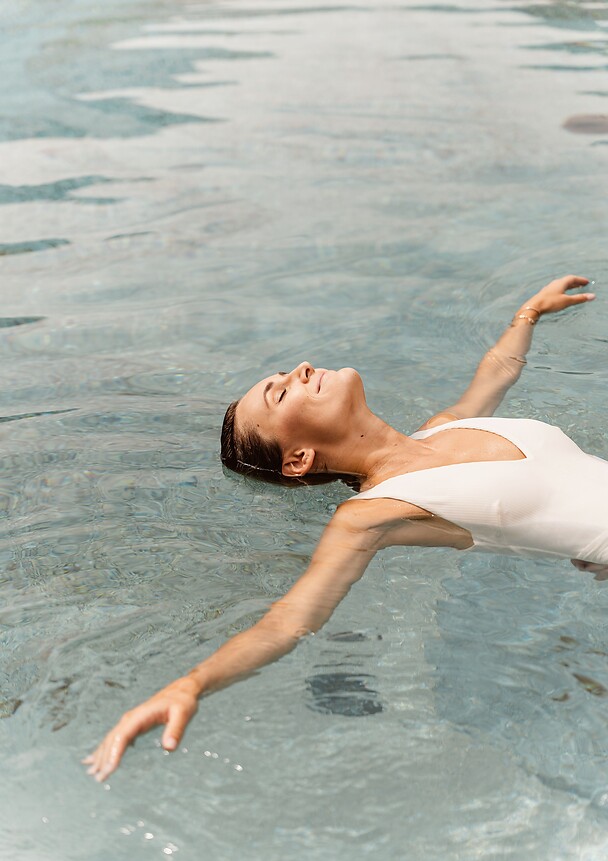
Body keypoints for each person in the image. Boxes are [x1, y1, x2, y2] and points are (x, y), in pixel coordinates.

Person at [84, 274, 606, 782]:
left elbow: (496, 371)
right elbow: (287, 621)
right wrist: (190, 685)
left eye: (286, 373)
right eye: (282, 394)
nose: (302, 369)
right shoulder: (371, 514)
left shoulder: (449, 427)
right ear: (299, 459)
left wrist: (529, 312)